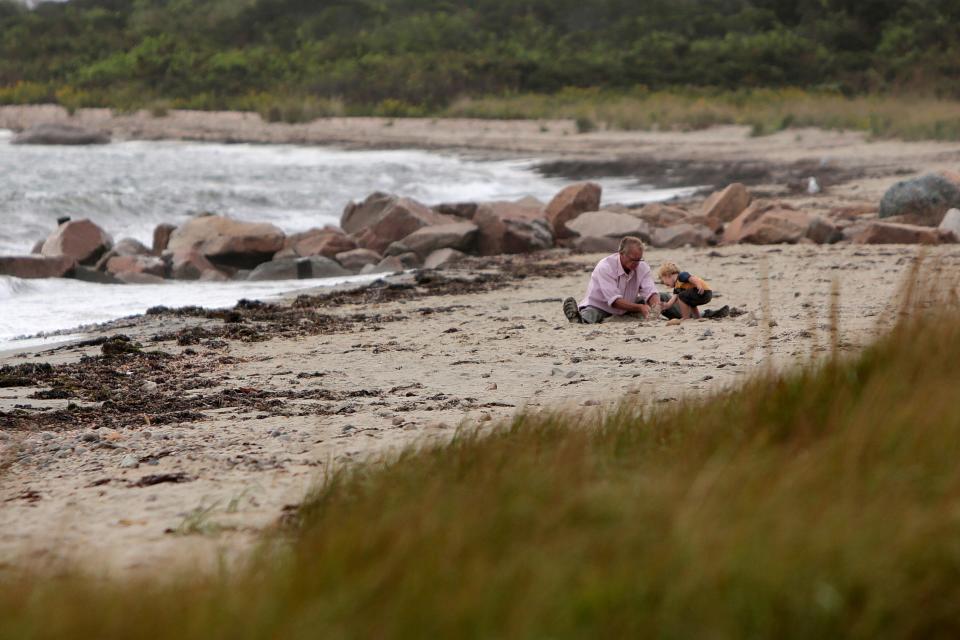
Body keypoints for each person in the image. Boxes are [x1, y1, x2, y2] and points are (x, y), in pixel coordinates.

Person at [562, 236, 660, 324]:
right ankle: (577, 319)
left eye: (639, 260)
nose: (637, 263)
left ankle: (674, 313)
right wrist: (639, 308)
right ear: (621, 254)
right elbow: (614, 301)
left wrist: (656, 307)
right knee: (591, 315)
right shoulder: (605, 267)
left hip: (628, 306)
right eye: (633, 260)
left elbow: (650, 291)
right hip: (600, 306)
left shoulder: (642, 266)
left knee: (662, 298)